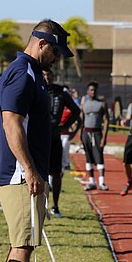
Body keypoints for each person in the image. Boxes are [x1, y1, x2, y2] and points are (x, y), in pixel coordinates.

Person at [0, 19, 74, 262]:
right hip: (19, 175)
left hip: (27, 172)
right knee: (22, 247)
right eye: (55, 51)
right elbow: (11, 123)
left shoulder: (32, 74)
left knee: (19, 245)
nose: (57, 58)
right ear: (41, 44)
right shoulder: (22, 73)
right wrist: (28, 168)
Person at [43, 69, 80, 217]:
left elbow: (76, 111)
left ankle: (55, 206)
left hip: (55, 136)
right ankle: (41, 206)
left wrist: (65, 126)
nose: (47, 78)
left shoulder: (60, 92)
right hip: (39, 138)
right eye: (44, 75)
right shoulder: (35, 89)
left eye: (49, 75)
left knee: (56, 173)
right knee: (41, 173)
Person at [79, 81, 109, 190]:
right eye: (91, 90)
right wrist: (80, 137)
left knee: (99, 157)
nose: (93, 92)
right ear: (88, 91)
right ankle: (92, 182)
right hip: (86, 133)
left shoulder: (102, 104)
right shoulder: (84, 105)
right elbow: (81, 122)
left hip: (97, 133)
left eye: (95, 90)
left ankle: (102, 182)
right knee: (88, 158)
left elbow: (106, 121)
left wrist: (104, 137)